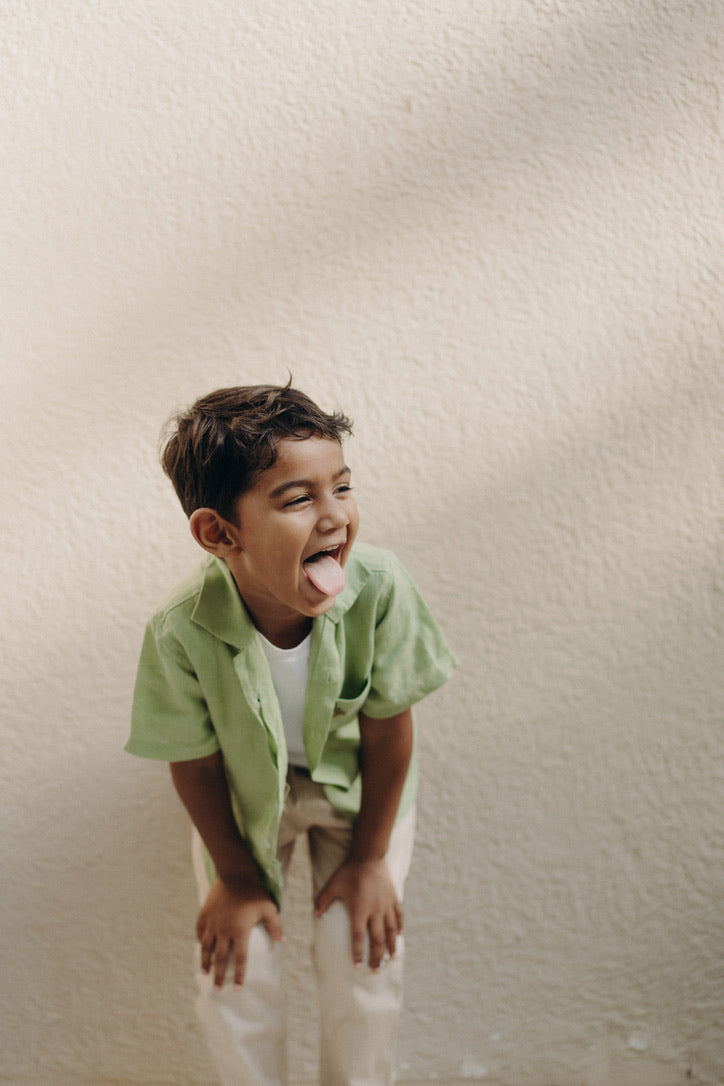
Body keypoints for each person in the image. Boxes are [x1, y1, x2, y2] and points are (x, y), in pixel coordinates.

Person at [126, 383, 458, 1086]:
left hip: (362, 797)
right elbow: (193, 759)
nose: (335, 515)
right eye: (298, 499)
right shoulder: (181, 627)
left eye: (341, 486)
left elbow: (390, 731)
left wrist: (370, 860)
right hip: (247, 806)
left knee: (362, 956)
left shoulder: (379, 587)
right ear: (221, 534)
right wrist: (237, 877)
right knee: (236, 970)